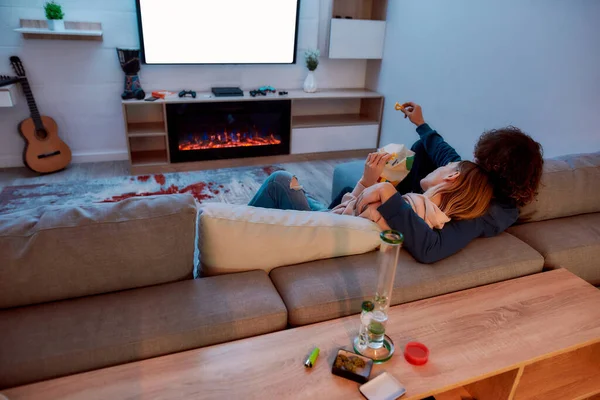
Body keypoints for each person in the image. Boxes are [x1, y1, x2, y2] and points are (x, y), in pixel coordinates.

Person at [352, 102, 544, 263]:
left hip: (407, 213)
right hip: (421, 198)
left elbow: (431, 249)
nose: (470, 161)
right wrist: (421, 124)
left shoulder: (485, 213)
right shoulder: (482, 181)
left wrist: (385, 193)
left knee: (350, 191)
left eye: (477, 161)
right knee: (422, 147)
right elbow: (446, 154)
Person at [248, 151, 494, 237]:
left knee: (279, 181)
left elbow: (343, 220)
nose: (439, 167)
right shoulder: (433, 217)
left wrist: (367, 180)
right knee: (298, 187)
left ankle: (236, 223)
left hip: (325, 225)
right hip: (335, 219)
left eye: (444, 167)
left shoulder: (405, 203)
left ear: (451, 177)